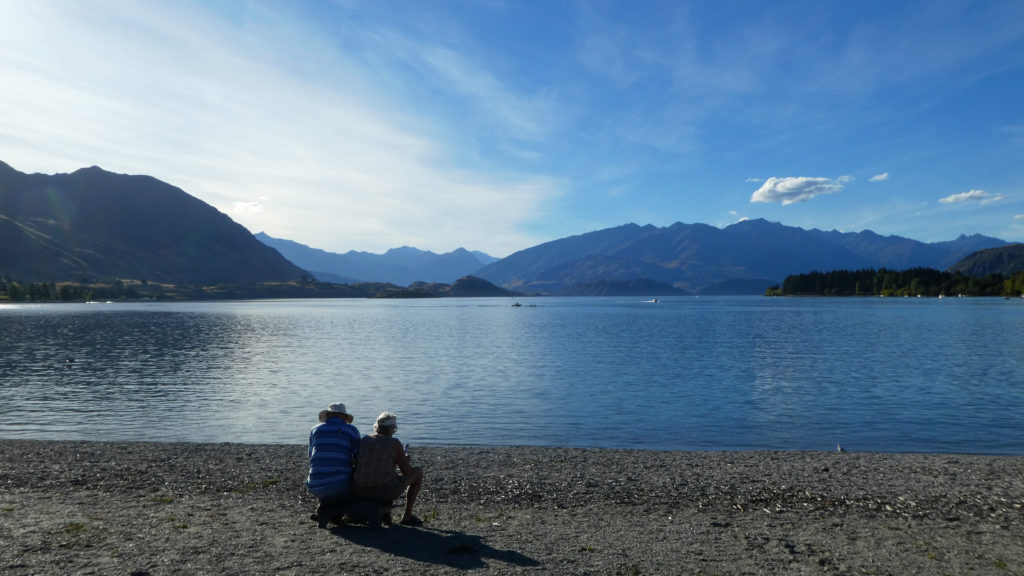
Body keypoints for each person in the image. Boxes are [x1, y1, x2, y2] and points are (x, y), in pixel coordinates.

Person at [353, 411, 424, 526]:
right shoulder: (394, 443)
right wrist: (405, 460)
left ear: (376, 427)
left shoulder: (365, 440)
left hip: (359, 489)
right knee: (418, 472)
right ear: (393, 428)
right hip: (384, 490)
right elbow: (406, 471)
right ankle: (407, 516)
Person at [306, 402, 360, 505]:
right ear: (344, 417)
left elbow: (310, 455)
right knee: (355, 476)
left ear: (328, 415)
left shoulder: (315, 429)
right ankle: (346, 511)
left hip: (313, 485)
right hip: (338, 484)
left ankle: (326, 506)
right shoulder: (351, 430)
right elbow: (359, 455)